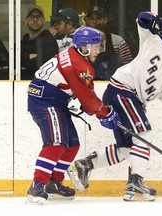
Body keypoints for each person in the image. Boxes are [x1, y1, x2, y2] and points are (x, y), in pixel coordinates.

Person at [70, 12, 162, 202]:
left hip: (131, 100)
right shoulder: (159, 44)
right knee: (143, 134)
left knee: (127, 149)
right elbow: (142, 19)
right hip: (122, 91)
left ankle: (85, 165)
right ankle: (136, 180)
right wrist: (157, 22)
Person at [26, 26, 120, 205]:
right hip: (45, 102)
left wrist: (95, 108)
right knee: (56, 143)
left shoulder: (74, 55)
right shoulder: (78, 64)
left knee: (72, 144)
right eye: (96, 46)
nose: (99, 50)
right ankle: (37, 185)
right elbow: (89, 100)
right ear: (84, 47)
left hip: (54, 101)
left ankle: (54, 182)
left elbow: (84, 93)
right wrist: (105, 113)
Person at [21, 5, 59, 80]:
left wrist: (25, 60)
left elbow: (44, 64)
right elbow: (13, 62)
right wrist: (33, 58)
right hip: (20, 84)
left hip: (43, 85)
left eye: (38, 17)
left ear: (44, 20)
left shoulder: (50, 41)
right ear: (26, 21)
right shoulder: (21, 43)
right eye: (31, 17)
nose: (35, 20)